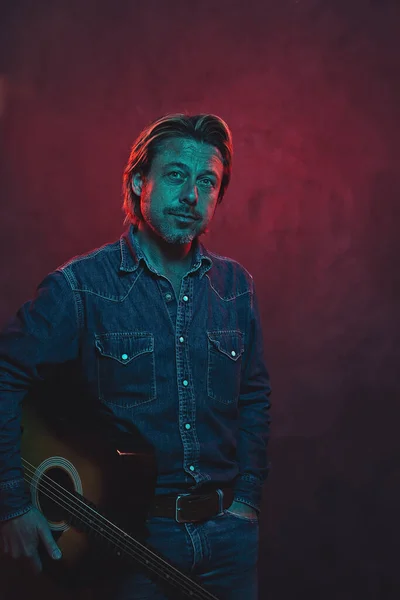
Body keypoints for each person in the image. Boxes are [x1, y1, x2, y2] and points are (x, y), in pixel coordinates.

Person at [0, 113, 271, 599]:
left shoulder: (236, 289)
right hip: (126, 540)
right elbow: (3, 375)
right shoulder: (80, 287)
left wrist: (247, 499)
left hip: (229, 537)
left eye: (206, 181)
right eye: (175, 175)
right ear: (138, 182)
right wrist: (12, 505)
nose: (191, 195)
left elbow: (254, 395)